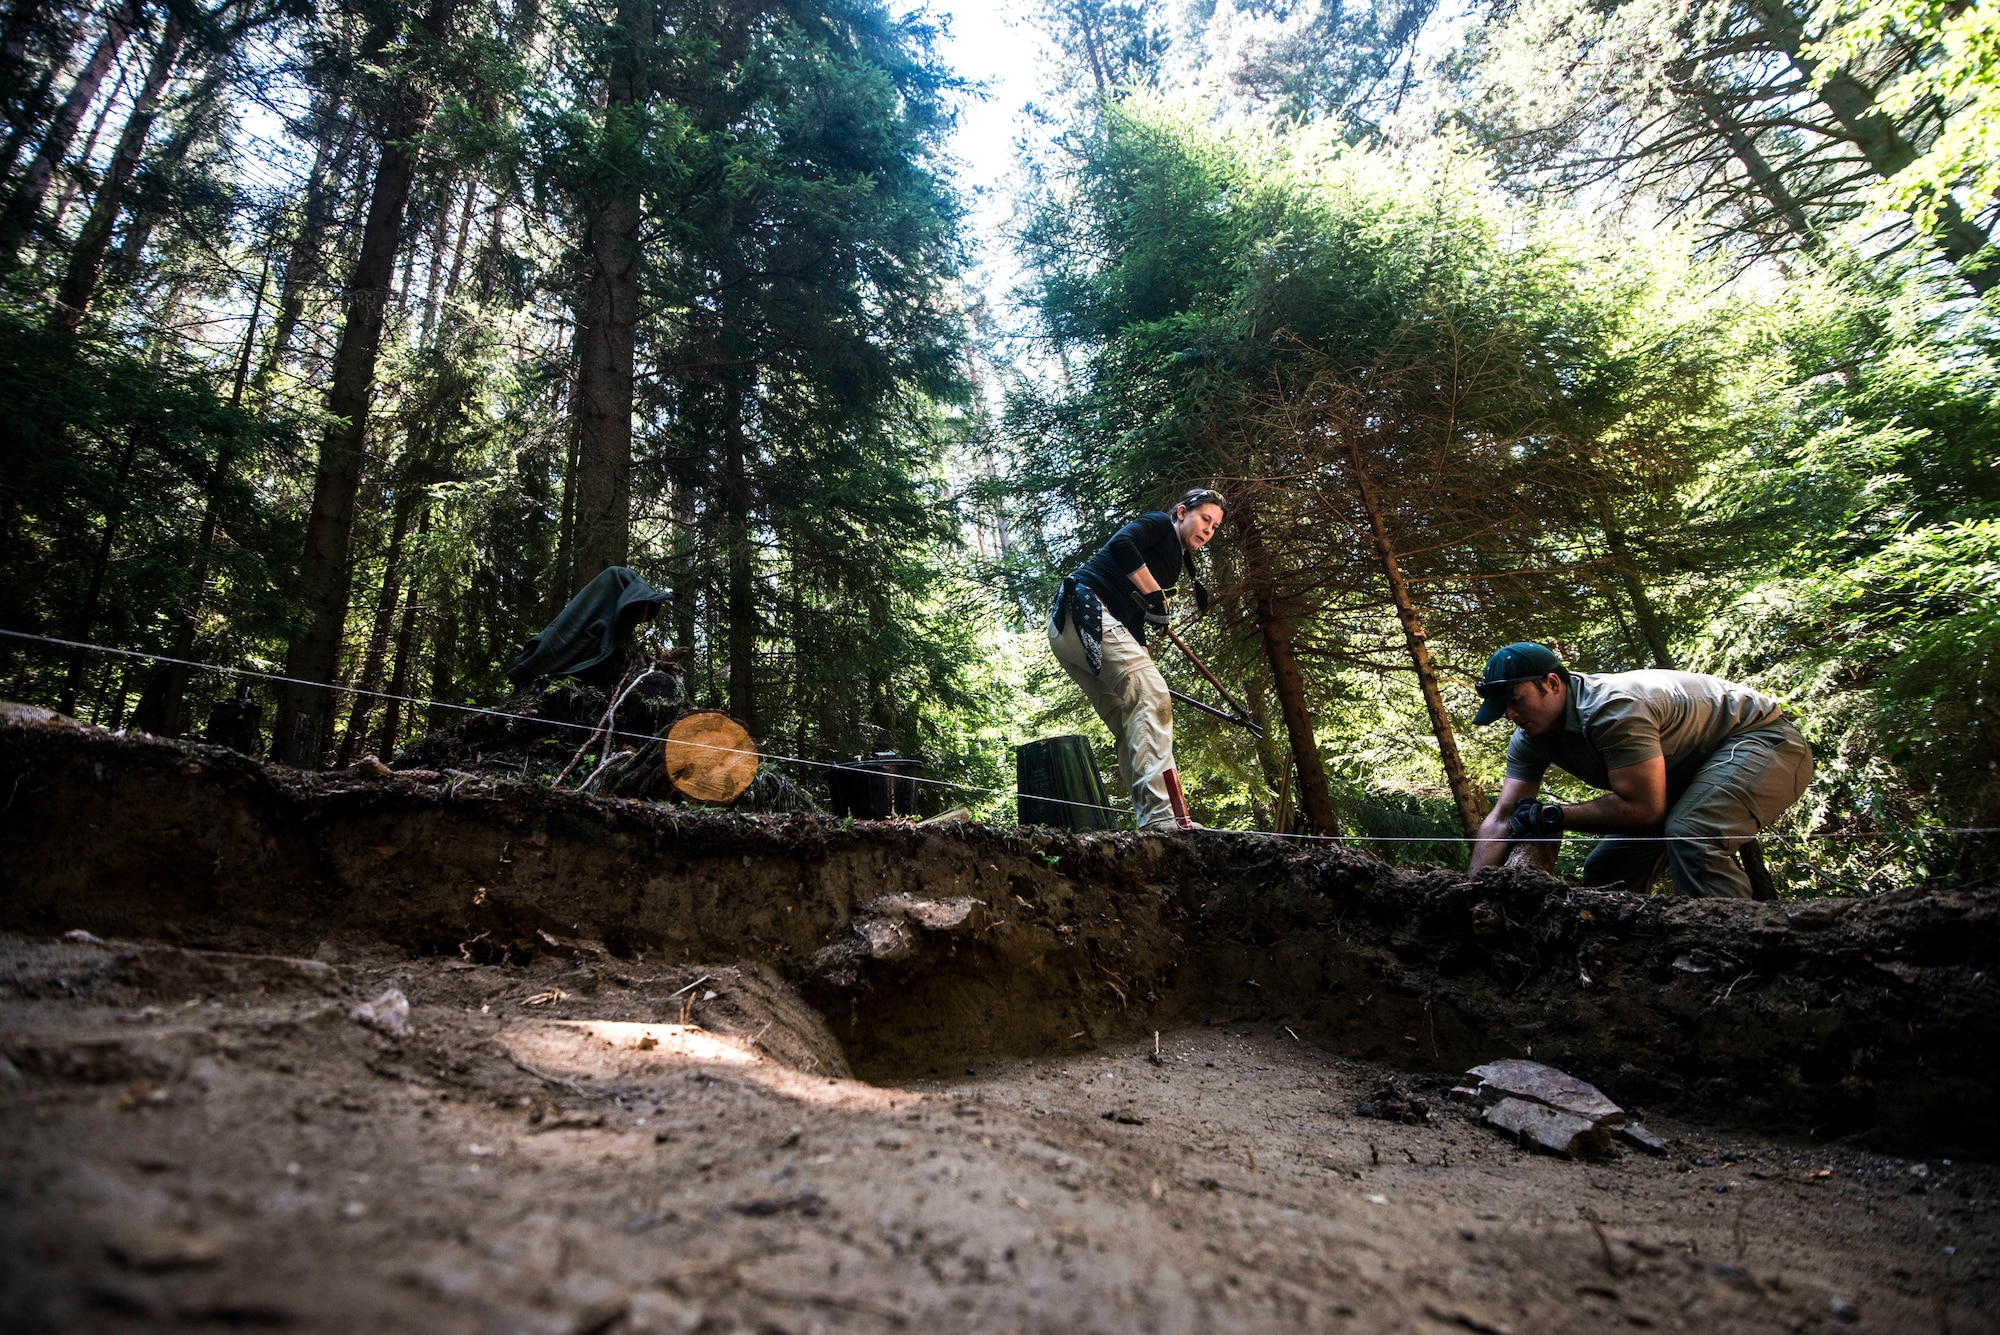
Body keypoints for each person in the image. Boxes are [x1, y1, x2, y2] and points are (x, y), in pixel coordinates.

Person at [1466, 642, 1813, 897]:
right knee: (1609, 869)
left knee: (1691, 832)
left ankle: (1732, 955)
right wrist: (1471, 892)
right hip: (1689, 772)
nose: (1509, 715)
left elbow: (1643, 809)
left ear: (1553, 683)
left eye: (1515, 700)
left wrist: (1554, 815)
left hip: (1762, 741)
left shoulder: (1613, 710)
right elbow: (1502, 818)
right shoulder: (1531, 736)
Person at [1048, 488, 1226, 831]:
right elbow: (1121, 544)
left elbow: (1131, 616)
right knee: (1152, 697)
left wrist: (1144, 651)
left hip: (1067, 629)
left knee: (1130, 719)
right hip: (1084, 608)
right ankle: (1161, 817)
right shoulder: (1160, 525)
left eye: (1215, 527)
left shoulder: (1173, 563)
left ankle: (1153, 818)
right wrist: (1154, 592)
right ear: (1180, 512)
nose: (1208, 530)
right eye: (1205, 519)